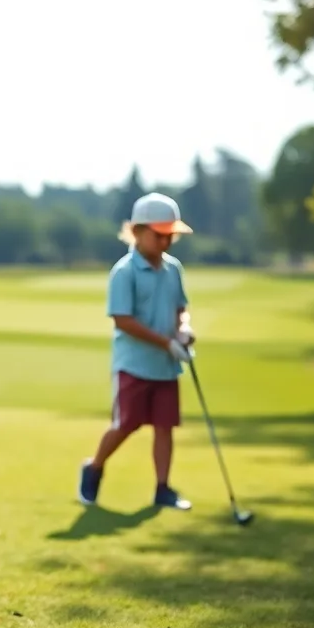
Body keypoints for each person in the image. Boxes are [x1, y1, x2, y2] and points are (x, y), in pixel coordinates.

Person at [78, 192, 197, 511]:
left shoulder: (173, 269)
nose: (166, 241)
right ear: (138, 232)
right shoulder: (125, 271)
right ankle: (94, 467)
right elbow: (123, 320)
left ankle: (162, 488)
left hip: (166, 365)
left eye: (170, 235)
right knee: (126, 424)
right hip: (133, 364)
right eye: (159, 235)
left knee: (164, 425)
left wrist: (183, 330)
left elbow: (180, 309)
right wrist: (167, 343)